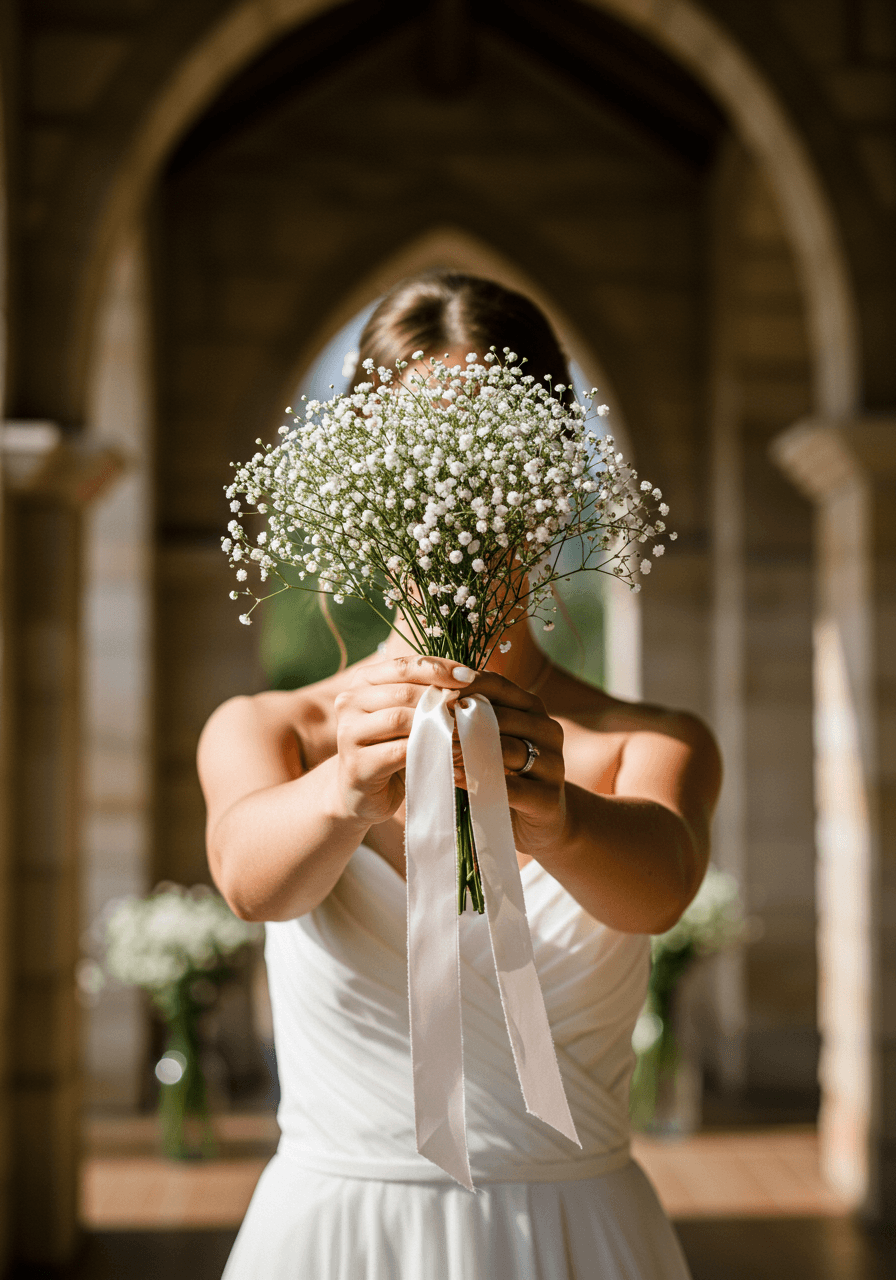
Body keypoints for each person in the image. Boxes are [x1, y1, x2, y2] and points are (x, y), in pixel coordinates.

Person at [199, 270, 722, 1279]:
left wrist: (558, 816)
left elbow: (661, 883)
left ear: (552, 464)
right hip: (337, 1236)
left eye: (489, 446)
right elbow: (249, 877)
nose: (461, 486)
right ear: (359, 470)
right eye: (417, 448)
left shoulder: (646, 739)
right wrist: (345, 790)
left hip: (572, 1238)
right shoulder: (272, 726)